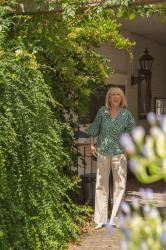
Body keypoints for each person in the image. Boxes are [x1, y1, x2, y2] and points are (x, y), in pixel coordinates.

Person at [87, 87, 135, 230]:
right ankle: (100, 219)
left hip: (120, 153)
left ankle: (115, 219)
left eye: (118, 95)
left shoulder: (126, 114)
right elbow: (94, 128)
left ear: (122, 98)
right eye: (113, 94)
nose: (115, 97)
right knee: (101, 185)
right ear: (109, 98)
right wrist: (91, 145)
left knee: (119, 186)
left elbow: (132, 131)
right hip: (102, 152)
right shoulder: (102, 111)